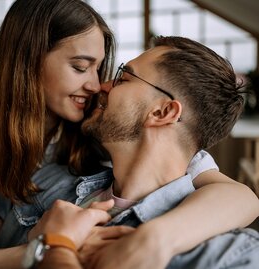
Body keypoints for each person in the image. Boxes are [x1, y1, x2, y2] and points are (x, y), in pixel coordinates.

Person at [0, 0, 258, 267]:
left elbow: (239, 195)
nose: (97, 85)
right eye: (80, 67)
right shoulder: (44, 179)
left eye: (117, 76)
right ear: (30, 60)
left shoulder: (221, 249)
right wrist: (50, 245)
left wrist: (154, 239)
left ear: (163, 112)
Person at [28, 36, 259, 269]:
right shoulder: (47, 184)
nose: (102, 85)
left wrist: (56, 246)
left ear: (162, 112)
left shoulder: (229, 257)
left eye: (124, 78)